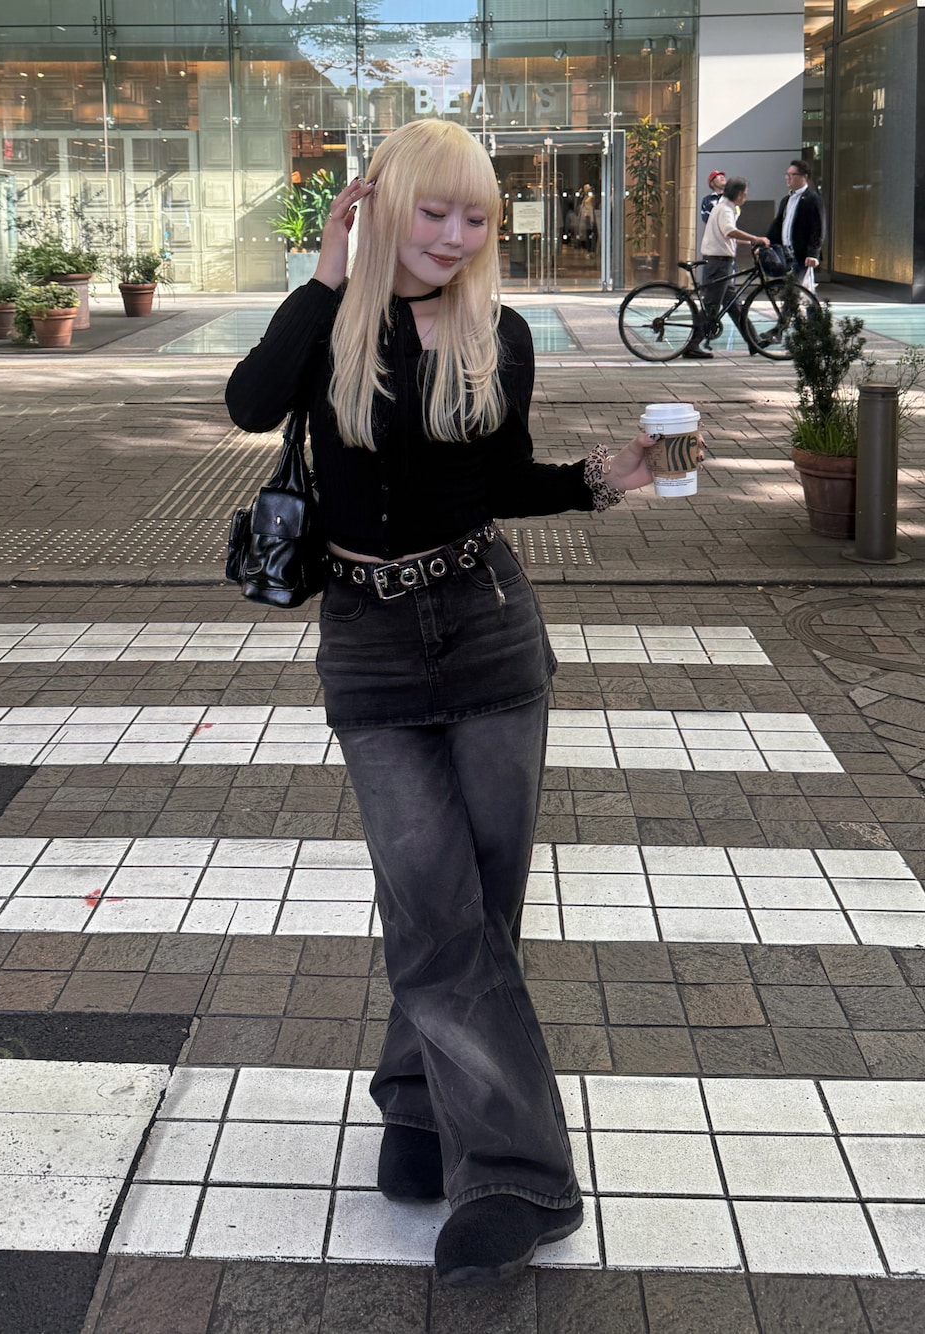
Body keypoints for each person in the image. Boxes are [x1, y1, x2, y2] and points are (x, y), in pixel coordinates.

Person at [225, 119, 655, 1287]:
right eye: (435, 212)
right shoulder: (332, 324)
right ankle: (517, 1175)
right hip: (367, 644)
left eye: (477, 218)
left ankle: (420, 1105)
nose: (457, 236)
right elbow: (249, 404)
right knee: (430, 901)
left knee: (475, 908)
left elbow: (500, 479)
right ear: (382, 205)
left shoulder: (495, 331)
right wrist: (326, 273)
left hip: (484, 625)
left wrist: (601, 480)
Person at [683, 175, 771, 360]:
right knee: (711, 305)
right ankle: (692, 345)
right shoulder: (725, 209)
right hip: (719, 263)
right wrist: (755, 238)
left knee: (734, 305)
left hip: (721, 262)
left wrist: (748, 242)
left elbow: (727, 235)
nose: (746, 197)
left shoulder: (724, 207)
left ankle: (753, 341)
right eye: (745, 193)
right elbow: (729, 231)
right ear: (738, 194)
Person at [767, 158, 825, 276]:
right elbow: (777, 225)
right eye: (787, 175)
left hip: (801, 256)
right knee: (785, 286)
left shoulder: (812, 199)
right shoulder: (786, 200)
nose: (788, 178)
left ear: (804, 177)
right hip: (784, 254)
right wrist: (765, 243)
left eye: (792, 175)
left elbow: (818, 228)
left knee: (799, 286)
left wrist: (813, 254)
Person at [577, 183, 597, 252]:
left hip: (589, 217)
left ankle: (590, 249)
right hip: (585, 217)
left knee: (589, 233)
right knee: (586, 234)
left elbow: (591, 208)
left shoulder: (590, 197)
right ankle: (587, 248)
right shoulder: (585, 198)